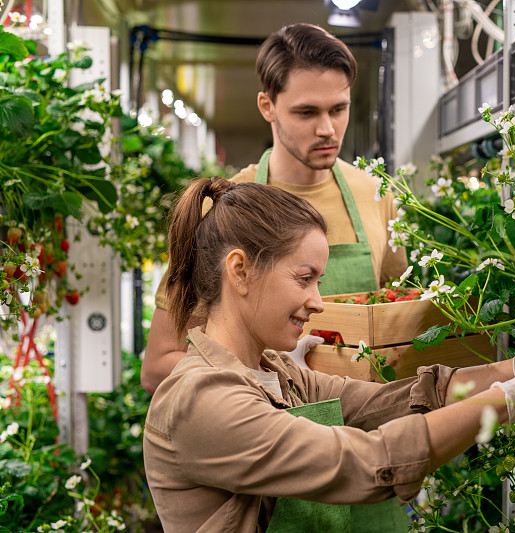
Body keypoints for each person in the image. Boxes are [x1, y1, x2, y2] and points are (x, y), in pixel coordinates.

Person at [143, 177, 515, 532]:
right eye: (304, 278)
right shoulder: (202, 398)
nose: (318, 302)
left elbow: (405, 398)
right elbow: (368, 462)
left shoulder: (278, 373)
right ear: (240, 271)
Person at [141, 23, 407, 395]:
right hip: (267, 431)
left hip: (366, 425)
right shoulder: (223, 209)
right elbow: (158, 366)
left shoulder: (376, 195)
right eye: (306, 112)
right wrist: (269, 375)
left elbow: (399, 322)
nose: (328, 129)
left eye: (339, 109)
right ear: (267, 106)